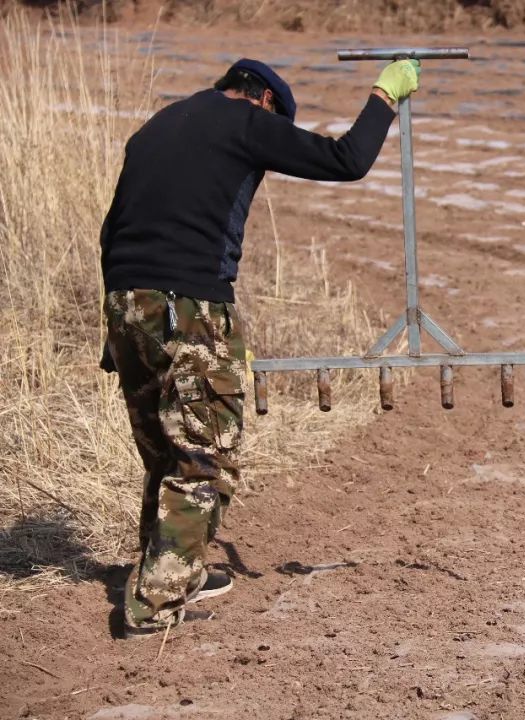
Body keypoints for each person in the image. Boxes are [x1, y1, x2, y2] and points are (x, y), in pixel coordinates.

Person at [99, 57, 420, 638]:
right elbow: (346, 160)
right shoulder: (245, 121)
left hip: (126, 304)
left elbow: (112, 225)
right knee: (202, 457)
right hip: (188, 305)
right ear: (265, 100)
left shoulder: (157, 126)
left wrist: (116, 330)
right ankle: (155, 605)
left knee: (165, 453)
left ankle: (175, 570)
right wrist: (384, 95)